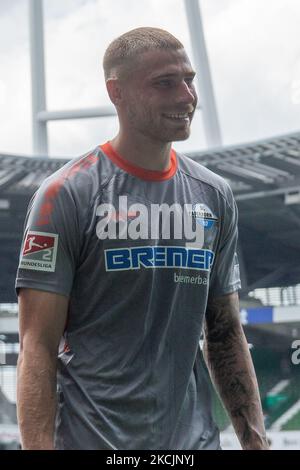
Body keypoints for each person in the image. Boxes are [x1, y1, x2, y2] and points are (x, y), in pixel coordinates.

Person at [16, 27, 269, 450]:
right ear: (117, 93)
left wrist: (256, 442)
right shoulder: (64, 196)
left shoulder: (213, 195)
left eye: (189, 80)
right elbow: (36, 346)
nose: (186, 97)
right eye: (164, 83)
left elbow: (225, 333)